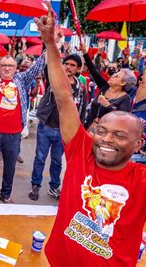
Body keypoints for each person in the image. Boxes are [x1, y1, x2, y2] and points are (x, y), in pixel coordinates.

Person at [36, 2, 146, 266]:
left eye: (118, 136)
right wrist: (50, 45)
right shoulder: (81, 150)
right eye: (102, 131)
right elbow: (63, 98)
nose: (106, 138)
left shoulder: (145, 180)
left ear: (139, 143)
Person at [0, 21, 46, 204]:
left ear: (16, 68)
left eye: (10, 66)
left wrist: (49, 41)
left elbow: (39, 66)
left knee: (10, 166)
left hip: (13, 133)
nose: (7, 68)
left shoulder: (22, 80)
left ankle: (5, 194)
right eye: (4, 65)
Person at [29, 54, 88, 201]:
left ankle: (54, 186)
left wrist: (79, 129)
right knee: (40, 158)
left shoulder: (80, 88)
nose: (68, 67)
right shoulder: (54, 79)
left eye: (72, 65)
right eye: (66, 63)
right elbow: (49, 64)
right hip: (46, 126)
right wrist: (53, 42)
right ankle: (35, 185)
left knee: (57, 160)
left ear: (78, 68)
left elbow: (82, 108)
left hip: (64, 131)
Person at [82, 44, 136, 131]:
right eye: (115, 74)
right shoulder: (105, 86)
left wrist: (107, 105)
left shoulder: (125, 98)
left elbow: (121, 119)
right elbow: (93, 71)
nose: (113, 75)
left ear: (122, 83)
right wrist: (85, 53)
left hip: (104, 133)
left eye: (117, 76)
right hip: (88, 128)